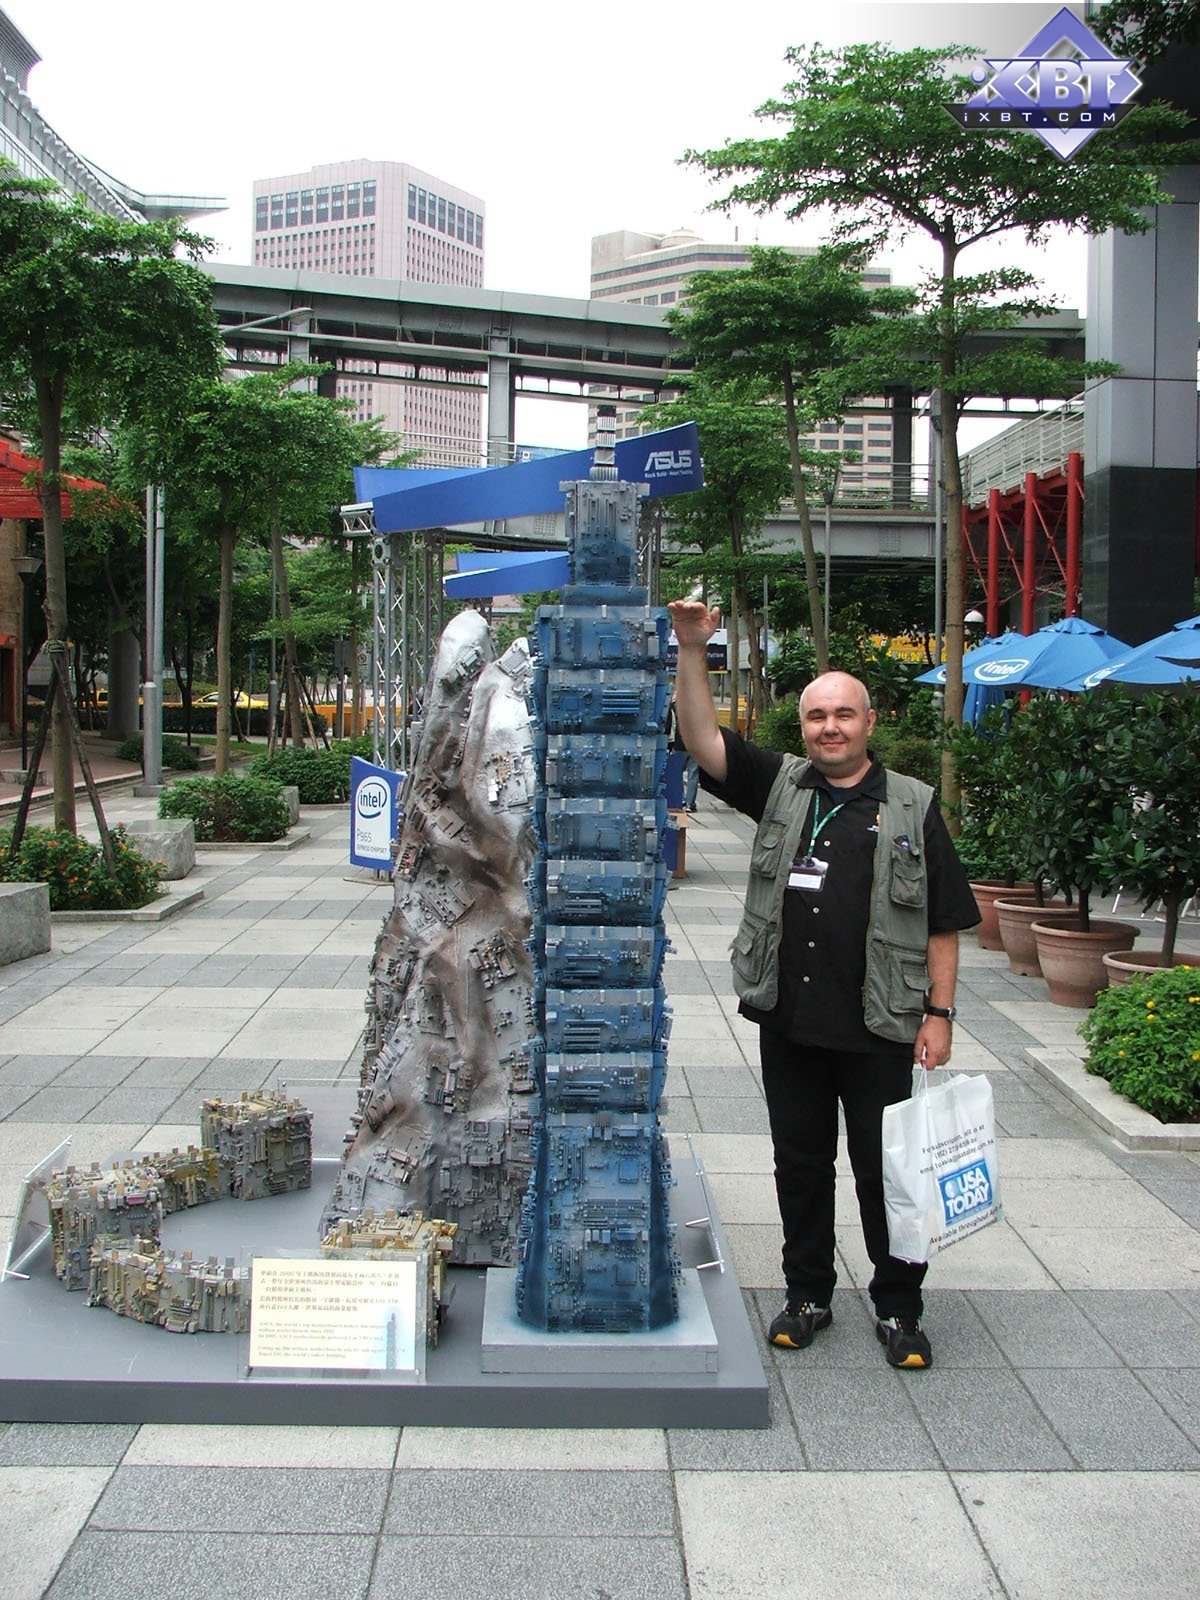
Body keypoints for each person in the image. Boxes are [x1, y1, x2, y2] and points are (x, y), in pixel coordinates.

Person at [667, 599, 980, 1370]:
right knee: (800, 1166)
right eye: (816, 716)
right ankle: (808, 1293)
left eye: (843, 714)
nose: (829, 728)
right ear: (803, 726)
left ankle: (899, 1305)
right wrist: (692, 649)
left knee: (885, 1172)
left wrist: (940, 1014)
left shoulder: (911, 804)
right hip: (792, 1021)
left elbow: (943, 920)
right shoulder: (782, 784)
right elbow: (702, 740)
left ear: (869, 722)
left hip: (881, 1025)